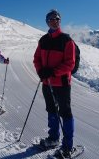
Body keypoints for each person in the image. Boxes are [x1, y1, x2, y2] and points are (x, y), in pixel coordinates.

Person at [33, 9, 76, 158]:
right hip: (47, 83)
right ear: (47, 22)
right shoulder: (43, 40)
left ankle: (67, 146)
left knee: (65, 113)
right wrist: (40, 71)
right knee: (51, 111)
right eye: (51, 19)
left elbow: (70, 64)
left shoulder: (66, 40)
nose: (54, 21)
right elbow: (36, 58)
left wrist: (52, 72)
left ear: (60, 21)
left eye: (57, 19)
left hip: (62, 84)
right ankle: (53, 138)